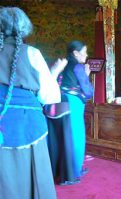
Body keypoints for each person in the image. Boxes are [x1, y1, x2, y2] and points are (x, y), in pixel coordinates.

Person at [0, 7, 67, 199]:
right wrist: (54, 73)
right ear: (23, 28)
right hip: (27, 124)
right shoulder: (32, 53)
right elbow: (50, 97)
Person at [45, 40, 94, 185]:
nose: (86, 55)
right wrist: (86, 76)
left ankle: (68, 170)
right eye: (84, 52)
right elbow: (88, 91)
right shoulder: (78, 67)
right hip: (73, 104)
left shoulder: (64, 64)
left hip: (60, 102)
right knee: (76, 137)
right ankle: (72, 172)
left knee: (63, 136)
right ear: (76, 53)